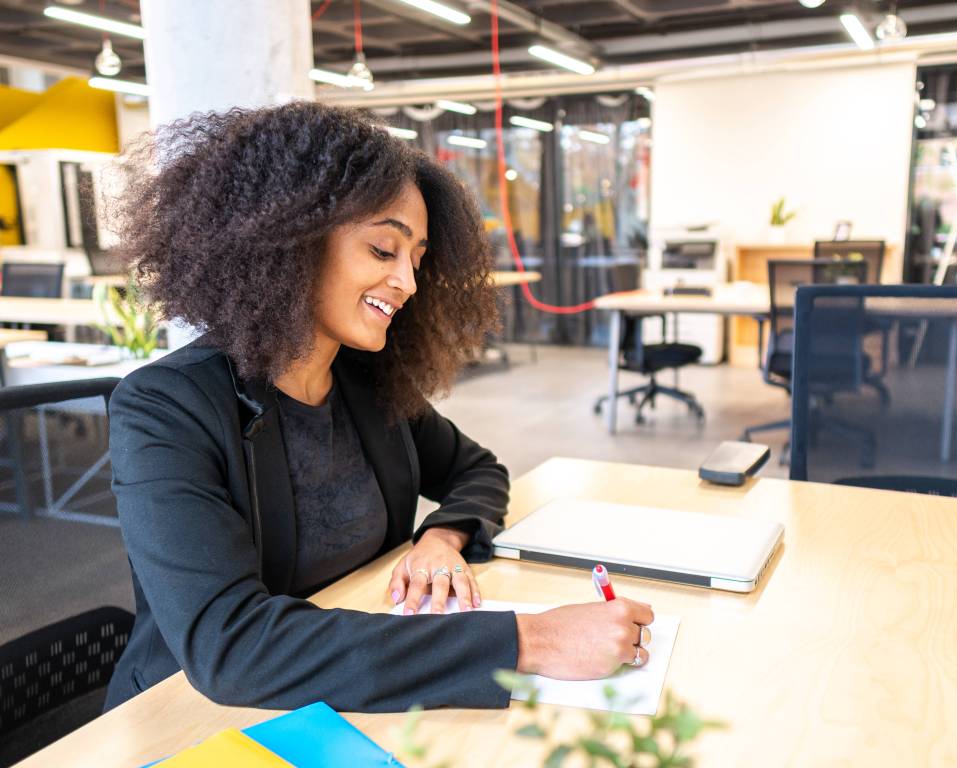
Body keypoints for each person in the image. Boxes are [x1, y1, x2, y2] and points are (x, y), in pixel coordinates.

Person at [103, 102, 654, 714]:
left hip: (353, 681)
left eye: (415, 259)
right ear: (288, 242)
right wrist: (530, 640)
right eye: (383, 250)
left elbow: (478, 469)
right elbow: (233, 649)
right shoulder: (167, 409)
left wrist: (442, 539)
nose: (409, 283)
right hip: (193, 714)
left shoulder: (365, 382)